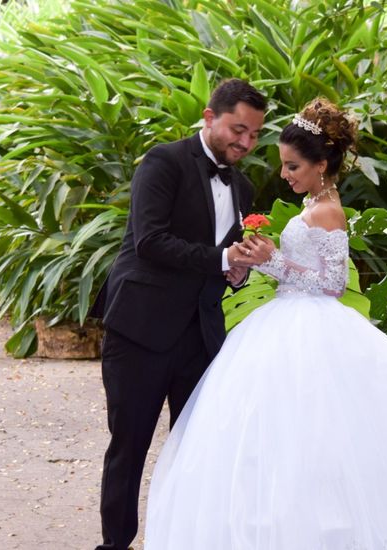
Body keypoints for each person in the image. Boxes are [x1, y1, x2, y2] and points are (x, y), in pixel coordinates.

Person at [143, 98, 387, 549]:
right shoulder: (314, 203)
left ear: (321, 165)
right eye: (284, 165)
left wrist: (274, 262)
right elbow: (300, 270)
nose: (285, 174)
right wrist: (264, 261)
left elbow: (331, 284)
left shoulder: (328, 210)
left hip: (314, 327)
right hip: (285, 321)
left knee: (317, 436)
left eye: (292, 166)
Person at [87, 79, 267, 550]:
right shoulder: (163, 162)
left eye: (254, 136)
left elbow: (225, 258)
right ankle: (116, 544)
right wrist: (222, 261)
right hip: (140, 329)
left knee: (196, 448)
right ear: (210, 117)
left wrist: (238, 273)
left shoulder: (243, 187)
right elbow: (149, 241)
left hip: (200, 334)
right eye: (237, 129)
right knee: (129, 447)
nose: (245, 143)